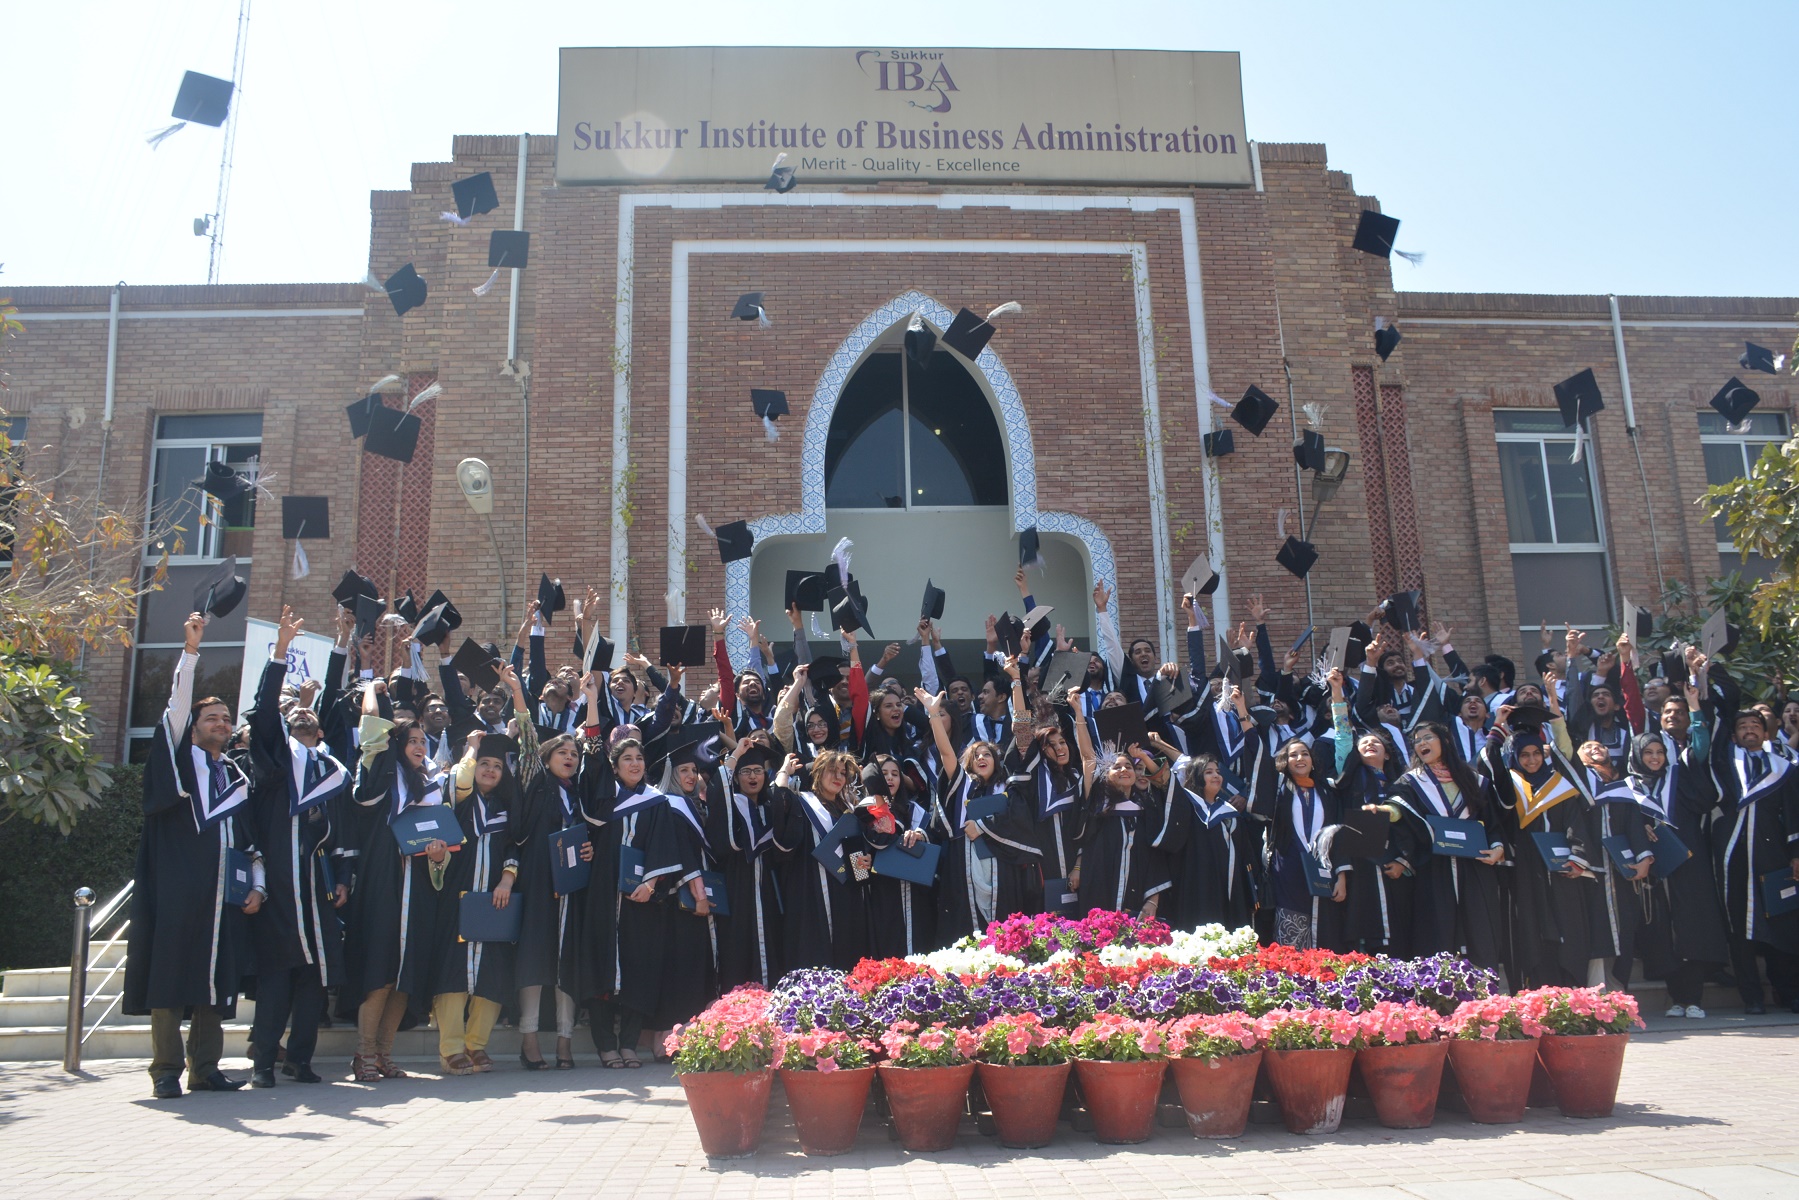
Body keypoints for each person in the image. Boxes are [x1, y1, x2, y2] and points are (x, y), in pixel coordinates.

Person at [123, 612, 259, 1099]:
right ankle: (165, 1070)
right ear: (194, 729)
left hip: (223, 894)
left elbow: (249, 843)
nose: (221, 723)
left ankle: (205, 1068)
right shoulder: (181, 765)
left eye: (226, 718)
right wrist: (191, 653)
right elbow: (175, 711)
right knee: (171, 974)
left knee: (215, 981)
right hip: (179, 889)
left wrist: (256, 886)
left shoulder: (236, 780)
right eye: (212, 718)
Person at [244, 607, 351, 1088]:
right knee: (276, 980)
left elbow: (339, 834)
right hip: (279, 889)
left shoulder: (326, 773)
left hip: (315, 891)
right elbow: (266, 713)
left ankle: (300, 1060)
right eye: (296, 720)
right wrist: (281, 654)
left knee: (314, 981)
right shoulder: (272, 770)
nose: (304, 721)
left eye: (310, 721)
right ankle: (264, 1062)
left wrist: (343, 878)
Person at [338, 677, 453, 1081]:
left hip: (417, 882)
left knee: (406, 976)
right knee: (381, 973)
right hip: (383, 877)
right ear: (397, 746)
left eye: (424, 741)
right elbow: (372, 729)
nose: (420, 747)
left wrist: (438, 855)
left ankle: (384, 1054)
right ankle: (364, 1054)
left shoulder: (431, 786)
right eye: (412, 741)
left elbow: (441, 849)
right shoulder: (382, 775)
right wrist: (373, 688)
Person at [1484, 689, 1601, 989]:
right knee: (1531, 929)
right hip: (1525, 868)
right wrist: (1497, 730)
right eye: (1524, 754)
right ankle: (1534, 988)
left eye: (1536, 753)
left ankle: (1570, 988)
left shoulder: (1559, 785)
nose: (1532, 759)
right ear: (1516, 756)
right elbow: (1492, 765)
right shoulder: (1509, 785)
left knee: (1566, 926)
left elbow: (1576, 825)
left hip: (1560, 868)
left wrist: (1577, 858)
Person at [432, 730, 523, 1074]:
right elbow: (460, 780)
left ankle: (476, 1044)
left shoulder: (505, 807)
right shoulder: (459, 803)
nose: (489, 770)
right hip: (457, 899)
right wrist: (471, 747)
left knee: (493, 975)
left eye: (496, 766)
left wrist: (507, 878)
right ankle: (451, 1048)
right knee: (453, 975)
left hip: (495, 903)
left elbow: (515, 846)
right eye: (484, 763)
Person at [1385, 722, 1507, 974]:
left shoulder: (1474, 780)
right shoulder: (1411, 783)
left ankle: (1485, 995)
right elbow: (1401, 812)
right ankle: (1438, 992)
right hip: (1435, 867)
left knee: (1479, 927)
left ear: (1445, 741)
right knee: (1437, 930)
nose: (1421, 744)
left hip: (1475, 866)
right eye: (1417, 741)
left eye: (1427, 737)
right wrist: (1385, 812)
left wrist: (1497, 847)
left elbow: (1492, 822)